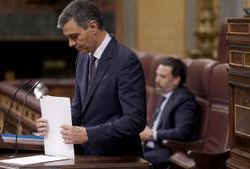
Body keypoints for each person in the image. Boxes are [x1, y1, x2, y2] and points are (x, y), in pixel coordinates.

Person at [37, 0, 146, 157]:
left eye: (74, 36)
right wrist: (52, 125)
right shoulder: (82, 57)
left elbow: (135, 120)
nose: (70, 44)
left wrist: (89, 134)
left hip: (119, 159)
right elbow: (78, 107)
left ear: (93, 27)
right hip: (87, 155)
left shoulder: (125, 60)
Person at [140, 57, 200, 169]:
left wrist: (152, 134)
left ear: (176, 79)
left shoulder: (184, 100)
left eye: (162, 76)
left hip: (167, 151)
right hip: (151, 146)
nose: (157, 79)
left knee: (129, 160)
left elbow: (182, 132)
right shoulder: (167, 93)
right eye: (157, 74)